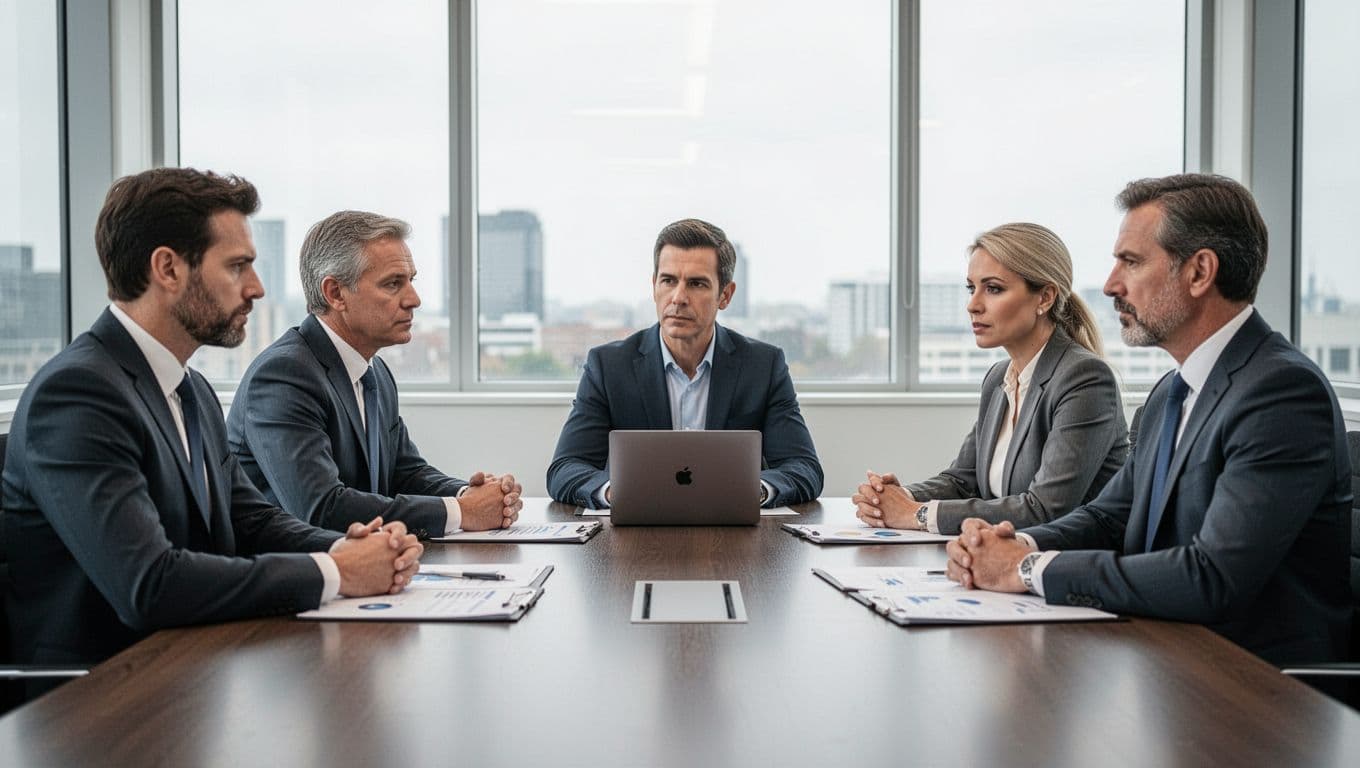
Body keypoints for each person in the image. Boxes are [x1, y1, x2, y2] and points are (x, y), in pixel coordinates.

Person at [1, 168, 423, 667]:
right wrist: (337, 571)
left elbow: (252, 520)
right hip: (99, 697)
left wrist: (361, 548)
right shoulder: (77, 394)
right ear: (168, 269)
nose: (257, 288)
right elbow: (150, 583)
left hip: (192, 661)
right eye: (237, 266)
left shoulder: (191, 388)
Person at [945, 174, 1352, 665]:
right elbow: (1107, 516)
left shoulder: (1281, 392)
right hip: (1166, 652)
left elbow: (1212, 576)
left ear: (1200, 272)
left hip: (1254, 683)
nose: (1112, 284)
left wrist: (1028, 568)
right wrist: (1010, 542)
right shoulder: (1171, 393)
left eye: (1131, 262)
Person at [227, 211, 522, 539]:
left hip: (368, 570)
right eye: (394, 283)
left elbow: (405, 473)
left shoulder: (374, 371)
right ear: (336, 293)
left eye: (411, 280)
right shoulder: (284, 376)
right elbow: (321, 509)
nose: (414, 299)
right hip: (293, 580)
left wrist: (473, 495)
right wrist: (462, 512)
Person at [853, 223, 1128, 535]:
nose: (973, 305)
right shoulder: (1000, 377)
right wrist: (896, 499)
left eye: (993, 288)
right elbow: (963, 481)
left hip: (1065, 569)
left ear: (1045, 298)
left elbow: (1045, 509)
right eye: (972, 288)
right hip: (995, 562)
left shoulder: (1084, 378)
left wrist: (915, 514)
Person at [547, 218, 823, 508]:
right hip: (635, 539)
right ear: (654, 286)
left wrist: (757, 491)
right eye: (668, 281)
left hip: (733, 539)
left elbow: (804, 468)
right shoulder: (608, 366)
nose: (678, 298)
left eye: (696, 284)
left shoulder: (763, 366)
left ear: (725, 295)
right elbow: (565, 469)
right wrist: (613, 493)